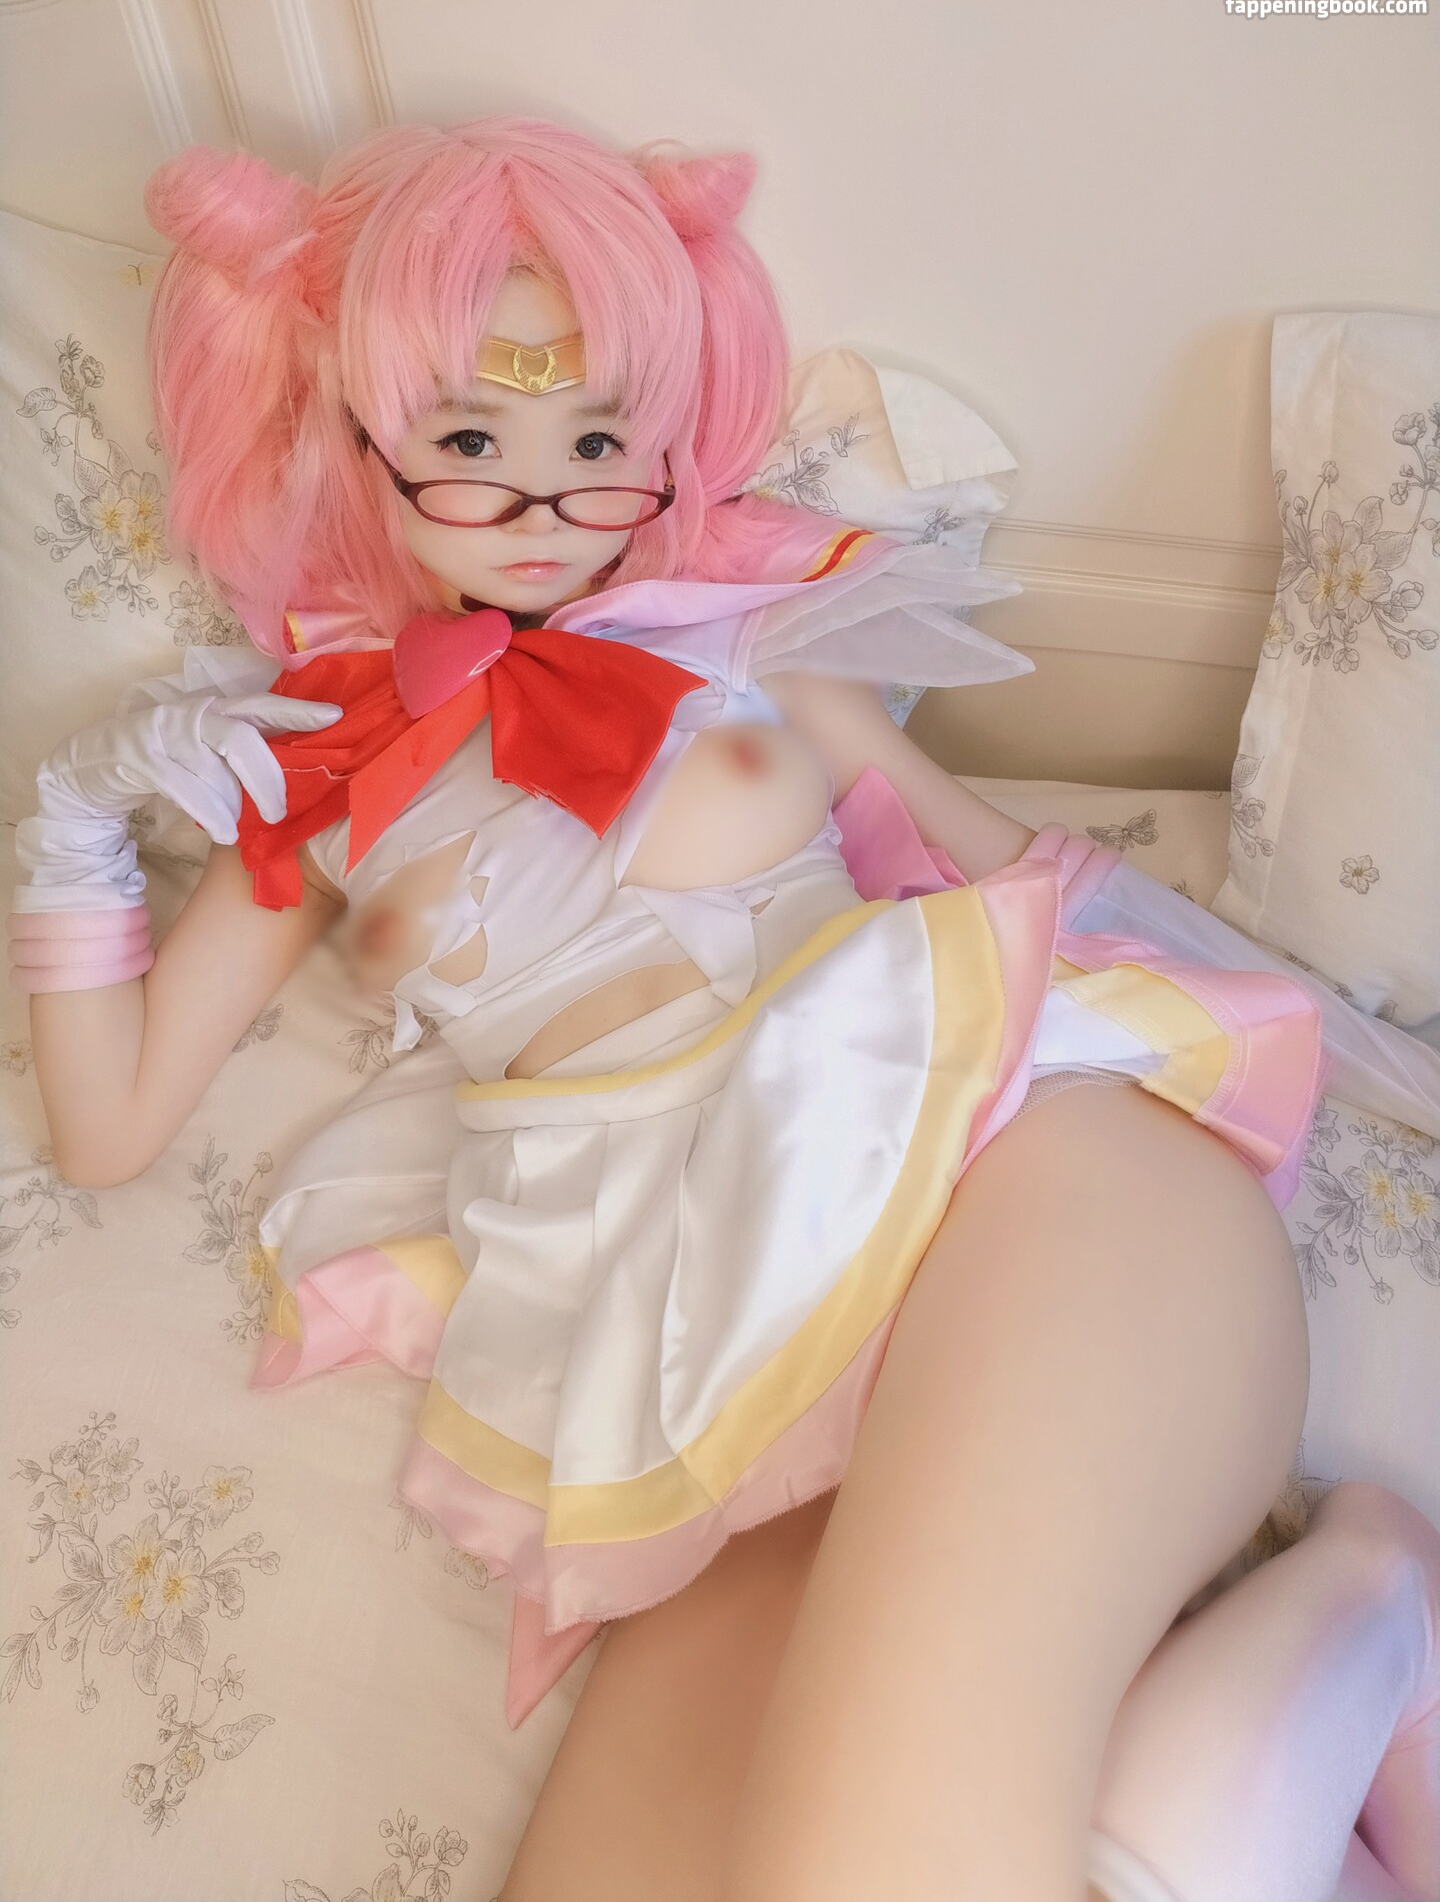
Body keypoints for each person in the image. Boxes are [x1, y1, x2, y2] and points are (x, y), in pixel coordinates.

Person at [8, 118, 1440, 1902]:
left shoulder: (741, 644)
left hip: (1011, 1184)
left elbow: (1040, 874)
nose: (546, 503)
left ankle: (1361, 1614)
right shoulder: (316, 773)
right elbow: (109, 1130)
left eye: (597, 443)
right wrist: (76, 823)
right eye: (471, 441)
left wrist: (1367, 1056)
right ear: (355, 441)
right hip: (714, 1389)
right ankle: (1293, 1731)